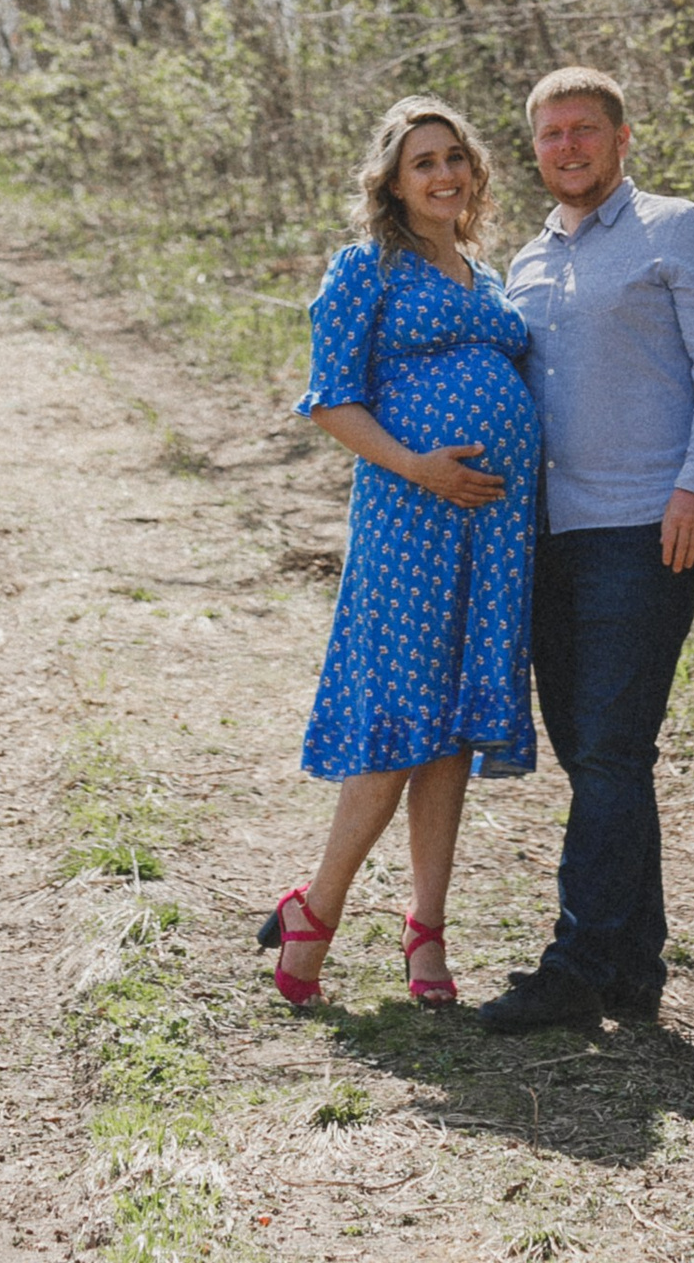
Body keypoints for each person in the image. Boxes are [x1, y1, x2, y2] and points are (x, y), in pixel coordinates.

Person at [478, 64, 694, 1031]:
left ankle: (578, 964)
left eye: (584, 128)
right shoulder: (525, 261)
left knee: (607, 745)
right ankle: (634, 963)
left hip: (648, 523)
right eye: (551, 132)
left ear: (621, 137)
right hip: (550, 533)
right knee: (598, 752)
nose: (568, 146)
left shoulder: (676, 228)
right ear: (535, 147)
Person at [258, 97, 540, 1010]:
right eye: (424, 161)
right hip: (410, 517)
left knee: (452, 726)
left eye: (455, 157)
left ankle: (428, 930)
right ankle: (317, 908)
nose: (443, 173)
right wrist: (420, 466)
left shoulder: (486, 276)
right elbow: (331, 399)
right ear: (393, 180)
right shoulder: (365, 268)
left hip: (492, 532)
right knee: (398, 717)